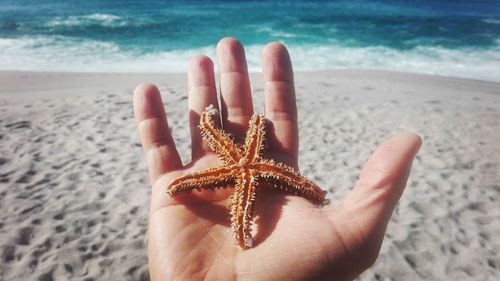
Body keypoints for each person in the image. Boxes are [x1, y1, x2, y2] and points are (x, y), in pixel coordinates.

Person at [133, 38, 421, 281]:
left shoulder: (249, 164)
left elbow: (269, 166)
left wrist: (314, 191)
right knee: (209, 179)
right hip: (245, 166)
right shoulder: (246, 164)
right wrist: (208, 128)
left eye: (257, 128)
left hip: (247, 168)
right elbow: (217, 138)